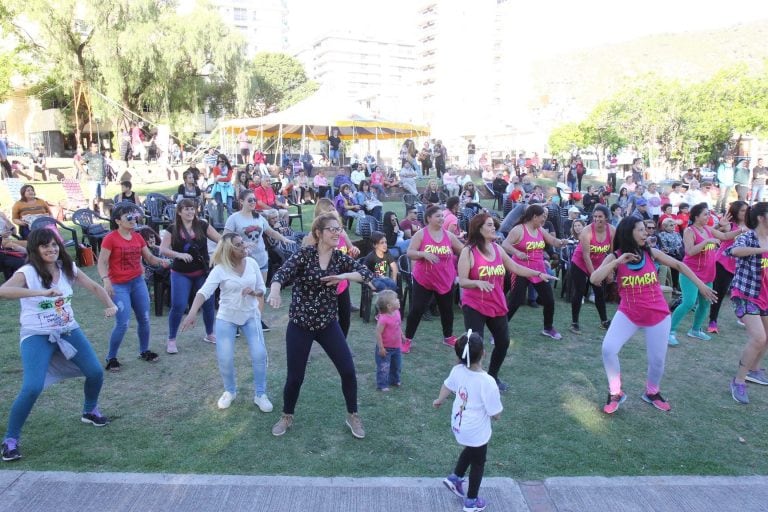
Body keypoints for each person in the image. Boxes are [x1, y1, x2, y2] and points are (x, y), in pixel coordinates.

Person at [0, 229, 118, 462]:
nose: (51, 249)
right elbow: (3, 291)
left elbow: (94, 286)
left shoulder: (67, 267)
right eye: (45, 246)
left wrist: (110, 304)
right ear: (35, 249)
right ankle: (10, 440)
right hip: (37, 335)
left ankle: (90, 410)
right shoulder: (28, 272)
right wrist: (41, 292)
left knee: (95, 372)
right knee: (32, 387)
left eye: (55, 245)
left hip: (68, 329)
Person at [591, 216, 717, 414]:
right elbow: (595, 278)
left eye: (645, 229)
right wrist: (617, 261)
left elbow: (680, 266)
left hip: (657, 314)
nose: (645, 233)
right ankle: (615, 392)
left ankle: (652, 392)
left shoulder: (650, 252)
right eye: (641, 230)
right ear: (628, 232)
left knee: (657, 359)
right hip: (629, 313)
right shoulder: (614, 256)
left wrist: (701, 285)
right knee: (608, 349)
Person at [267, 213, 374, 439]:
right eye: (332, 229)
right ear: (319, 233)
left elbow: (366, 273)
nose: (337, 233)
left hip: (327, 324)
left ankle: (352, 415)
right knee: (295, 377)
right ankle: (287, 415)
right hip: (300, 324)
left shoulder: (339, 258)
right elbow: (282, 273)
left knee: (347, 370)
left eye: (339, 229)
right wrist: (275, 290)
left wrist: (343, 275)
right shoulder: (305, 255)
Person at [459, 213, 556, 392]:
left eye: (493, 225)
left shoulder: (497, 249)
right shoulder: (469, 251)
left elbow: (515, 267)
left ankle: (493, 377)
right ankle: (465, 381)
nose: (493, 227)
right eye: (489, 225)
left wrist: (538, 274)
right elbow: (462, 281)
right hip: (474, 304)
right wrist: (477, 282)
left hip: (496, 302)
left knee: (503, 342)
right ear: (479, 229)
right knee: (474, 345)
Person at [180, 233, 272, 412]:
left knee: (259, 354)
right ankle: (230, 391)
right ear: (229, 249)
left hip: (250, 315)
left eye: (242, 242)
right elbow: (204, 292)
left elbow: (262, 290)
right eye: (238, 244)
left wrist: (253, 292)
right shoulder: (220, 269)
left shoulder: (252, 264)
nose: (244, 246)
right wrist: (191, 313)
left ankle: (260, 394)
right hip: (227, 317)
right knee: (225, 357)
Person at [433, 332, 502, 512]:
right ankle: (471, 501)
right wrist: (496, 416)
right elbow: (495, 413)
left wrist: (439, 399)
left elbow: (447, 385)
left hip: (459, 425)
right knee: (478, 463)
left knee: (471, 450)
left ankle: (455, 478)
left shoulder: (457, 371)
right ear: (484, 354)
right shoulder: (487, 381)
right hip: (476, 431)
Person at [98, 203, 171, 371]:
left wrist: (163, 261)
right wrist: (106, 280)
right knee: (122, 323)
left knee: (144, 319)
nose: (133, 219)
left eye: (134, 216)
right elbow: (102, 262)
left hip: (138, 282)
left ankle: (144, 351)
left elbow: (150, 258)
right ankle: (111, 357)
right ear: (118, 221)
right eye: (128, 217)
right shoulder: (110, 238)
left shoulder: (137, 237)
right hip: (119, 285)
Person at [668, 202, 745, 345]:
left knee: (705, 303)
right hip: (690, 272)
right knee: (689, 302)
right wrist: (707, 241)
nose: (708, 216)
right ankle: (669, 330)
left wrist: (741, 230)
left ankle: (695, 330)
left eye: (708, 213)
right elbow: (689, 251)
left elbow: (725, 235)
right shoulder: (689, 231)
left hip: (708, 273)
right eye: (705, 214)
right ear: (696, 217)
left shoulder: (708, 229)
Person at [159, 199, 221, 353]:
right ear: (179, 212)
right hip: (180, 273)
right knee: (178, 305)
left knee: (208, 303)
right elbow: (163, 250)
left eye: (192, 209)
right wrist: (178, 254)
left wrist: (217, 256)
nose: (190, 212)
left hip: (201, 272)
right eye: (186, 209)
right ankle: (172, 339)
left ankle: (210, 333)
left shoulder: (202, 225)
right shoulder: (172, 229)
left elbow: (221, 240)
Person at [502, 204, 569, 339]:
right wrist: (517, 252)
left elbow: (553, 241)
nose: (544, 219)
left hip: (539, 270)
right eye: (542, 216)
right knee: (515, 301)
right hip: (521, 269)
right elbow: (505, 244)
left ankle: (548, 328)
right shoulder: (519, 230)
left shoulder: (540, 229)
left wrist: (561, 242)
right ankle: (500, 330)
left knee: (549, 300)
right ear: (534, 217)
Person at [404, 205, 464, 351]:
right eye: (437, 216)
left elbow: (463, 250)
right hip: (424, 279)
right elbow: (410, 252)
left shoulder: (449, 236)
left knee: (446, 310)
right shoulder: (421, 234)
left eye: (442, 216)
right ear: (428, 218)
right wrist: (423, 254)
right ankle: (406, 340)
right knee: (417, 309)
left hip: (445, 279)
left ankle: (448, 337)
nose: (441, 218)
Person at [727, 202, 768, 404]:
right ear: (761, 217)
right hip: (746, 293)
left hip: (765, 295)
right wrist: (761, 248)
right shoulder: (748, 236)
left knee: (767, 337)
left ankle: (754, 369)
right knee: (759, 338)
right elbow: (734, 251)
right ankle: (738, 380)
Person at [569, 205, 615, 333]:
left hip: (598, 264)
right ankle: (574, 322)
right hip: (580, 263)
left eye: (600, 216)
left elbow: (612, 253)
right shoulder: (587, 231)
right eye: (595, 216)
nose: (597, 219)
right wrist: (594, 275)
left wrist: (610, 271)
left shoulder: (611, 230)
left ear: (606, 218)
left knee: (599, 292)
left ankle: (604, 321)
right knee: (579, 291)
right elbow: (586, 256)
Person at [708, 201, 748, 333]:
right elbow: (710, 232)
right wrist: (719, 224)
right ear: (736, 211)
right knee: (719, 293)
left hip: (741, 265)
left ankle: (744, 317)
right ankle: (712, 320)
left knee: (744, 292)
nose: (745, 212)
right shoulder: (730, 225)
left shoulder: (751, 226)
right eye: (742, 210)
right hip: (723, 264)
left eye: (746, 210)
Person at [375, 290, 403, 392]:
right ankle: (382, 385)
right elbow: (378, 333)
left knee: (397, 365)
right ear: (389, 306)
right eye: (396, 299)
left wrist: (402, 335)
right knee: (383, 367)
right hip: (385, 348)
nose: (398, 300)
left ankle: (394, 380)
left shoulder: (397, 313)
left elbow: (398, 326)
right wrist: (381, 348)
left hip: (397, 346)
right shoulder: (383, 319)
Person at [211, 154, 235, 225]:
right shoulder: (215, 168)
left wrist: (219, 177)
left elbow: (228, 179)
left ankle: (231, 224)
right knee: (220, 206)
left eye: (222, 161)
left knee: (229, 207)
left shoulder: (229, 169)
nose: (221, 162)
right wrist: (220, 177)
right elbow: (216, 179)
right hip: (218, 190)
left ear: (225, 161)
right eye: (219, 160)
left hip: (228, 190)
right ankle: (220, 223)